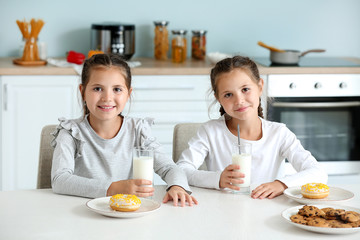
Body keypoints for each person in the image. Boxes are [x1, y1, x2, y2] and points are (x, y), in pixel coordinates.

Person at [51, 53, 197, 207]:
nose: (107, 98)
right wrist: (112, 188)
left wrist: (177, 186)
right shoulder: (70, 132)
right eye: (98, 88)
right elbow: (60, 180)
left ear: (128, 94)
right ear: (82, 91)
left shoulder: (138, 130)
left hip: (131, 213)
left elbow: (169, 168)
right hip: (83, 212)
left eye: (117, 89)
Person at [176, 56, 328, 199]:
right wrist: (218, 179)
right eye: (228, 94)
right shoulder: (210, 132)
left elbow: (318, 173)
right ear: (218, 99)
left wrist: (281, 184)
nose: (239, 100)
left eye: (245, 89)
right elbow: (182, 170)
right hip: (223, 210)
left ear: (260, 86)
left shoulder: (279, 133)